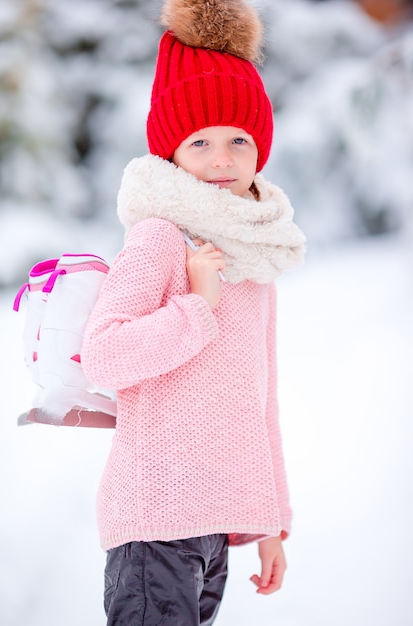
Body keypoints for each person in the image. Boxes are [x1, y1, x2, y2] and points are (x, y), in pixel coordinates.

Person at [81, 0, 306, 624]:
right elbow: (105, 355)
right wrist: (196, 304)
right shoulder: (159, 239)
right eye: (200, 141)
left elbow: (260, 404)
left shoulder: (254, 264)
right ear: (171, 152)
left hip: (217, 521)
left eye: (240, 140)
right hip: (155, 519)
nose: (222, 159)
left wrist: (269, 521)